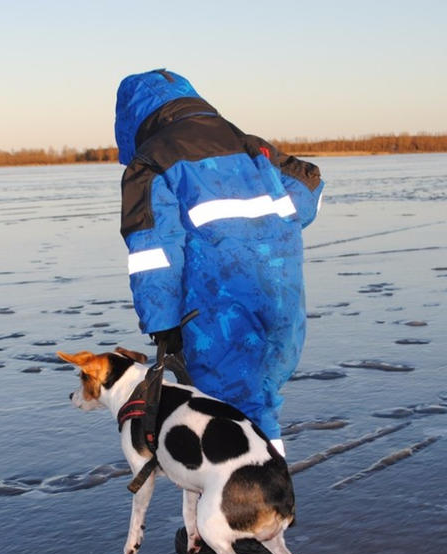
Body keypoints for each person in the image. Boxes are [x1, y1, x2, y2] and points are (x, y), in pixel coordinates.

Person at [114, 69, 323, 458]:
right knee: (260, 402)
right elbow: (309, 186)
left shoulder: (151, 163)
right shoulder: (248, 145)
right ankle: (270, 505)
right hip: (281, 297)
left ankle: (242, 513)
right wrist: (265, 232)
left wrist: (163, 325)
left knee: (227, 411)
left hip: (217, 308)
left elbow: (153, 254)